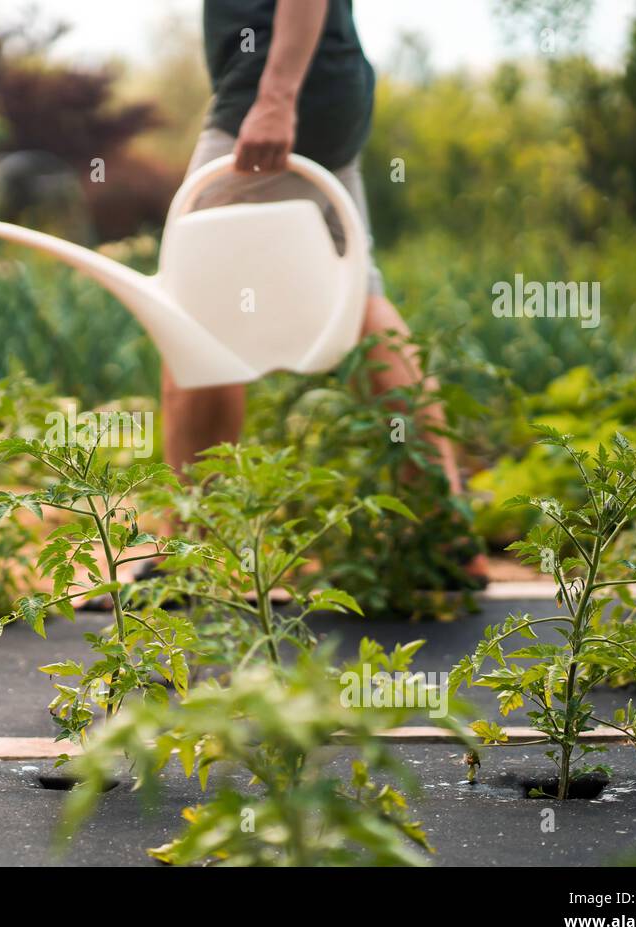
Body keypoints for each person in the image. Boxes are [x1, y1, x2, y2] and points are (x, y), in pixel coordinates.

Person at [165, 0, 488, 582]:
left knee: (191, 314)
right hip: (324, 91)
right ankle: (444, 531)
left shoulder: (274, 96)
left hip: (276, 95)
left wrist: (276, 99)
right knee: (355, 295)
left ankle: (194, 555)